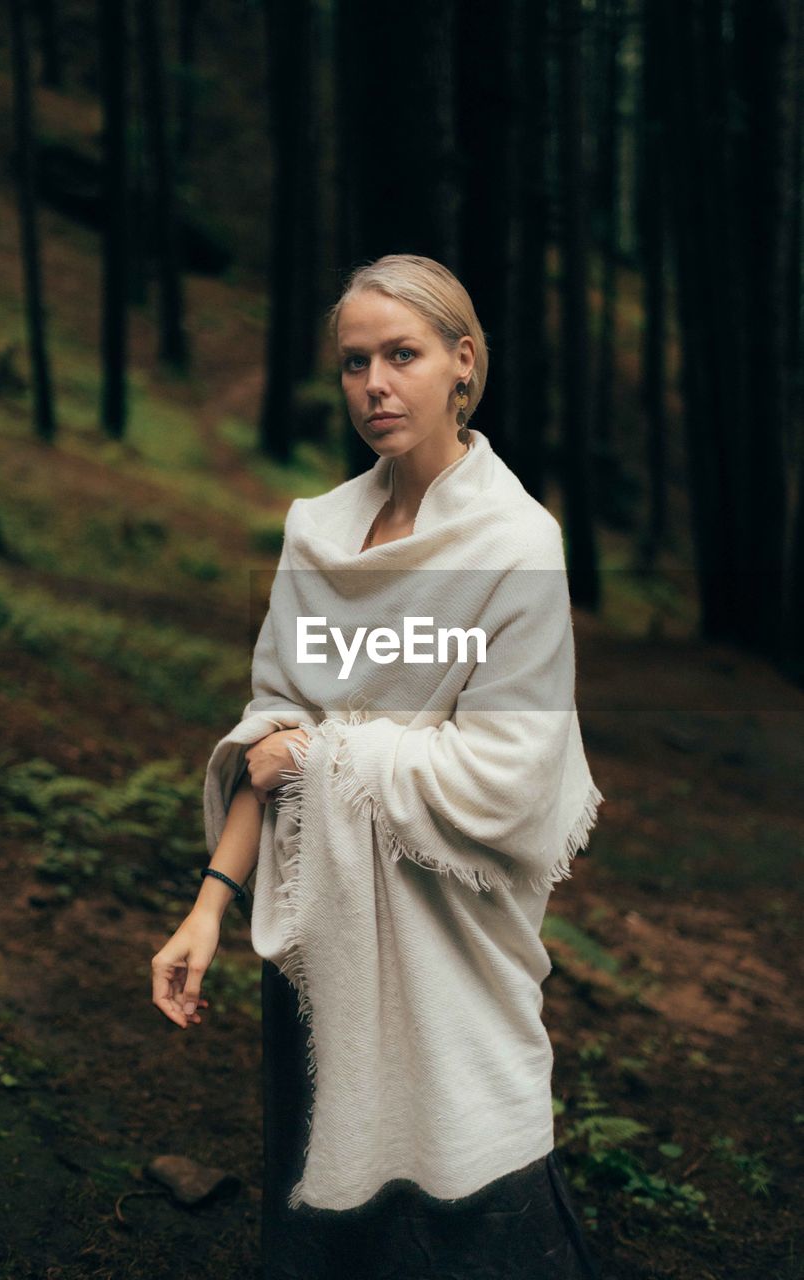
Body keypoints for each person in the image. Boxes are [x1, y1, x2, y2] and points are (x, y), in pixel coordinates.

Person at [152, 254, 605, 1280]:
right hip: (319, 928)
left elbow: (509, 774)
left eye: (402, 354)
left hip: (455, 952)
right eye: (355, 362)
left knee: (468, 1205)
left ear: (463, 362)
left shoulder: (515, 542)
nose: (374, 385)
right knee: (324, 1209)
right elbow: (270, 731)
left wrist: (325, 752)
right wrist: (210, 905)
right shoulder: (316, 532)